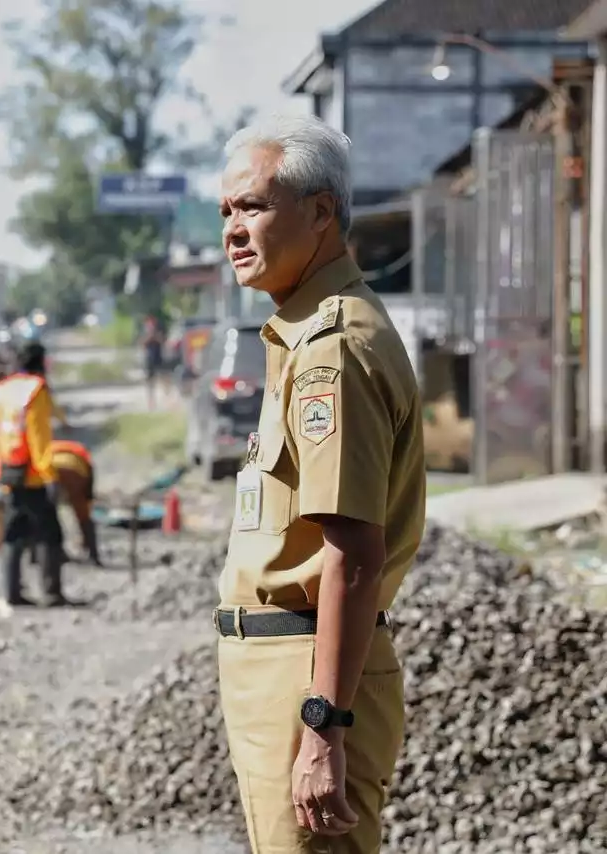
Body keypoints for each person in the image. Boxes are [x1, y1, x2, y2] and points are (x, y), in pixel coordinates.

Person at [213, 114, 425, 853]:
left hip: (305, 674)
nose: (234, 230)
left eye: (255, 206)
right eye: (227, 212)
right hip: (279, 668)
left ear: (322, 211)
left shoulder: (334, 350)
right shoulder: (301, 336)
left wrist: (323, 726)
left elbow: (353, 553)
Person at [0, 340, 70, 608]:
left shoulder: (3, 390)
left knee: (14, 534)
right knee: (50, 533)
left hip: (10, 470)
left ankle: (12, 593)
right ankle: (51, 592)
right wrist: (50, 476)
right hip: (34, 474)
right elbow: (39, 437)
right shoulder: (35, 391)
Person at [48, 439, 101, 566]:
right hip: (76, 470)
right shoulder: (81, 452)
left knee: (47, 514)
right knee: (82, 513)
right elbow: (89, 479)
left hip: (50, 469)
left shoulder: (50, 448)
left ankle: (50, 554)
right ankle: (93, 555)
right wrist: (87, 497)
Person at [140, 316, 165, 410]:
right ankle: (151, 402)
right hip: (149, 359)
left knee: (164, 379)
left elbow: (163, 341)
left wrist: (155, 336)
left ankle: (166, 400)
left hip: (158, 358)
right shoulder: (144, 332)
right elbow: (142, 343)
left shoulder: (159, 331)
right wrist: (149, 336)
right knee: (150, 382)